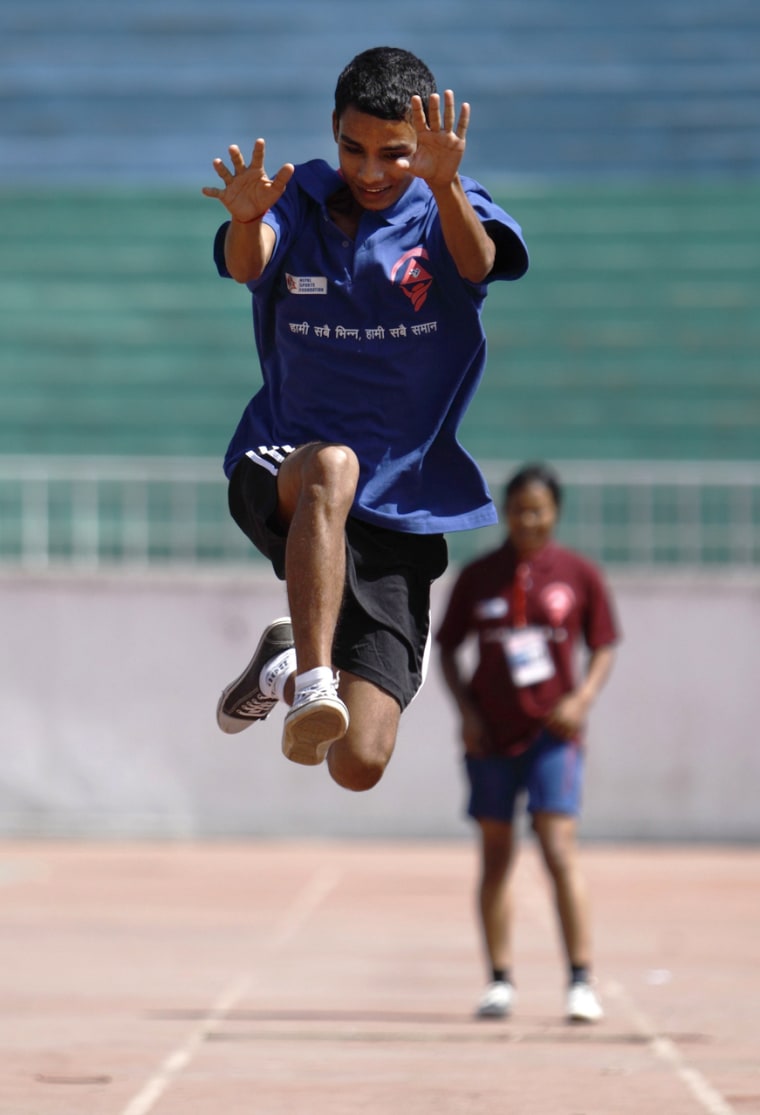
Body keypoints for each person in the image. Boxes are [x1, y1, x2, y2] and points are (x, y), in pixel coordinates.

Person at [201, 46, 529, 790]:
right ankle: (313, 679)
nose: (372, 171)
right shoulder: (300, 198)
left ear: (425, 147)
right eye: (354, 148)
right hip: (285, 465)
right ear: (333, 131)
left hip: (401, 507)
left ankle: (286, 665)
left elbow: (476, 266)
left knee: (360, 761)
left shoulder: (449, 204)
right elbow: (251, 262)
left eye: (394, 154)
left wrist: (441, 186)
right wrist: (249, 218)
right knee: (333, 464)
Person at [435, 462, 619, 1023]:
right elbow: (446, 648)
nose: (528, 520)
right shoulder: (479, 576)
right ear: (505, 513)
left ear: (555, 513)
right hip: (491, 736)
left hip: (552, 736)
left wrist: (581, 698)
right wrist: (466, 712)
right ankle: (499, 979)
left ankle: (580, 980)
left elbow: (604, 644)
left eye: (538, 510)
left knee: (559, 847)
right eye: (519, 510)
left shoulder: (579, 575)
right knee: (496, 856)